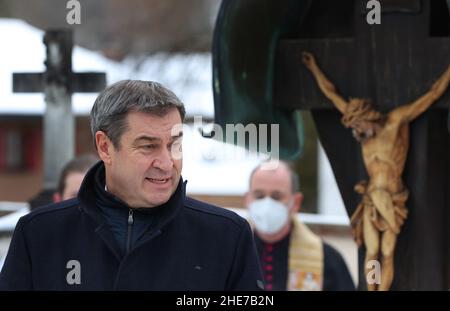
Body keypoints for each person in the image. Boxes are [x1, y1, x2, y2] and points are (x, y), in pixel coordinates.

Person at [0, 80, 263, 290]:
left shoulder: (227, 235)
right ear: (105, 147)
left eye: (175, 145)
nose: (166, 162)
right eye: (148, 146)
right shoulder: (39, 234)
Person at [302, 51, 450, 290]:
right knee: (372, 252)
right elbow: (331, 94)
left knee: (388, 251)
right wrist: (314, 69)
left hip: (392, 198)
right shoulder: (363, 134)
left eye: (358, 126)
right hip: (371, 198)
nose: (356, 132)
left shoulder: (395, 123)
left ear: (366, 117)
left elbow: (431, 96)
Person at [245, 160, 355, 291]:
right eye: (259, 196)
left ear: (296, 202)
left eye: (276, 196)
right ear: (247, 199)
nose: (267, 203)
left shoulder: (328, 259)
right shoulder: (234, 251)